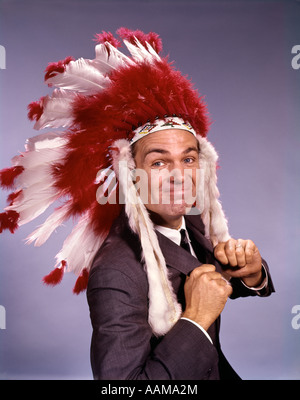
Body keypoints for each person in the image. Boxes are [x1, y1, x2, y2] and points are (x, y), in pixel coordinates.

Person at [0, 27, 274, 380]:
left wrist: (252, 272)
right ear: (130, 176)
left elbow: (214, 280)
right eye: (159, 162)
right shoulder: (116, 270)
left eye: (189, 159)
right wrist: (196, 320)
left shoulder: (194, 224)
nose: (180, 176)